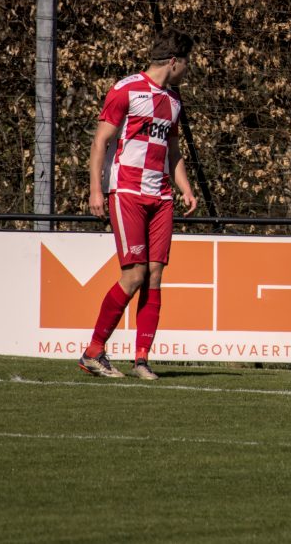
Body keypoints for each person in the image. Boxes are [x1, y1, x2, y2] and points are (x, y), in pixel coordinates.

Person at [79, 28, 198, 381]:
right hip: (127, 191)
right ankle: (93, 352)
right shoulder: (126, 89)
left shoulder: (174, 100)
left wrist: (186, 189)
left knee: (155, 275)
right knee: (134, 275)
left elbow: (173, 151)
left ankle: (141, 360)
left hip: (161, 196)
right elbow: (100, 141)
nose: (188, 70)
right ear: (174, 61)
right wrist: (96, 191)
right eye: (187, 63)